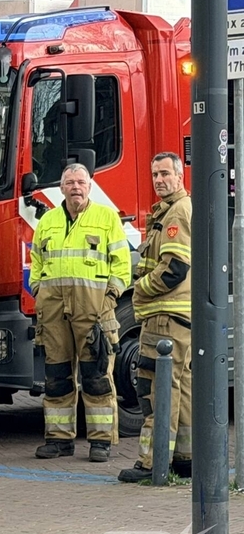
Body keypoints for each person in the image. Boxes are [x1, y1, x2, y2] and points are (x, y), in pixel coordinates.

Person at [30, 163, 131, 462]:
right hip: (54, 312)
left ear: (89, 186)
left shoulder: (106, 217)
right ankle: (59, 440)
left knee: (95, 376)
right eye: (70, 182)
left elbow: (122, 264)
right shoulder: (47, 221)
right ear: (61, 188)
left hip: (94, 312)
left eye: (81, 182)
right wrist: (38, 291)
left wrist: (109, 298)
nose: (75, 187)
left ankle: (101, 441)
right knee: (56, 377)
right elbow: (36, 262)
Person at [119, 153, 193, 483]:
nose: (159, 180)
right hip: (178, 317)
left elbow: (174, 268)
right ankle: (185, 459)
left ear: (179, 176)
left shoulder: (176, 212)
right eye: (154, 175)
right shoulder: (171, 210)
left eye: (165, 173)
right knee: (181, 388)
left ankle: (152, 462)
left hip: (165, 316)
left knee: (155, 389)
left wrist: (140, 289)